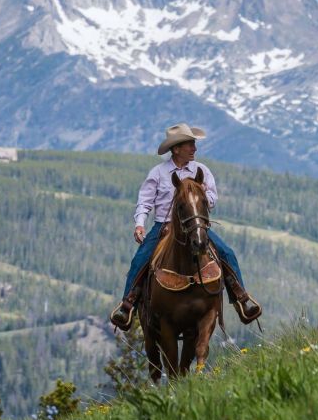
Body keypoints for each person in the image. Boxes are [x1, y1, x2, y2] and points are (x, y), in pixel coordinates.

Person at [110, 123, 262, 331]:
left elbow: (212, 198)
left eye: (193, 144)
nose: (194, 148)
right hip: (163, 225)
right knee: (141, 258)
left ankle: (241, 298)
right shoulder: (158, 173)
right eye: (190, 144)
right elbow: (145, 202)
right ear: (176, 148)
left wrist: (202, 196)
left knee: (226, 252)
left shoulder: (202, 170)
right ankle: (127, 304)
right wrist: (139, 225)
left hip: (195, 224)